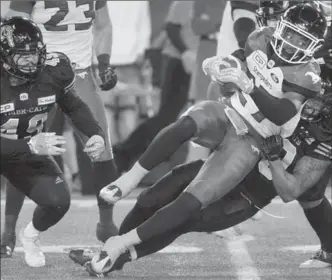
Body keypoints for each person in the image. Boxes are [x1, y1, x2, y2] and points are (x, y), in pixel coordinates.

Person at [69, 77, 332, 276]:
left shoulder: (321, 151)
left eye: (321, 108)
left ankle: (113, 260)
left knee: (183, 219)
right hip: (226, 162)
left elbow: (289, 192)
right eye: (318, 101)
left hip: (246, 196)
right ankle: (110, 249)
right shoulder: (293, 102)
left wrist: (274, 160)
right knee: (152, 197)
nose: (312, 109)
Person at [99, 3, 326, 221]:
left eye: (301, 38)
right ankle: (130, 178)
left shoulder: (307, 73)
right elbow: (238, 55)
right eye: (288, 33)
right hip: (232, 113)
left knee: (194, 201)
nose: (292, 43)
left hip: (255, 137)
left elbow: (281, 113)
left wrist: (248, 86)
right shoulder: (260, 38)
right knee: (188, 123)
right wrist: (226, 64)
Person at [1, 0, 119, 258]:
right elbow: (11, 24)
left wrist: (104, 62)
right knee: (23, 149)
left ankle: (106, 225)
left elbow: (103, 25)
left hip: (75, 71)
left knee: (102, 148)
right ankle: (8, 231)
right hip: (31, 75)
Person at [113, 1, 198, 173]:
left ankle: (127, 151)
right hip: (179, 61)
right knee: (167, 117)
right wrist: (186, 52)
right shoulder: (186, 3)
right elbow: (171, 28)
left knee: (178, 116)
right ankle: (124, 151)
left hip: (200, 61)